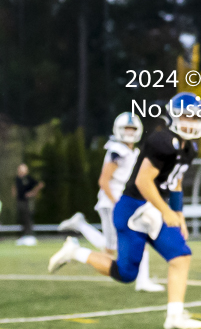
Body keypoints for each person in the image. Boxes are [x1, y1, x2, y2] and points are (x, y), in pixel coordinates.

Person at [48, 92, 201, 329]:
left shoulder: (189, 148)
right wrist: (166, 210)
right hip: (133, 208)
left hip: (153, 208)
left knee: (180, 256)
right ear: (173, 117)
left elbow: (175, 182)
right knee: (125, 273)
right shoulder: (161, 141)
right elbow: (144, 182)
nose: (191, 122)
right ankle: (75, 252)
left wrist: (179, 214)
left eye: (196, 118)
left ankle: (174, 316)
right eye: (187, 116)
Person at [57, 112, 164, 292]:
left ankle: (143, 281)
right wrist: (117, 202)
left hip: (126, 202)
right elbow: (104, 181)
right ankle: (81, 227)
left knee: (140, 238)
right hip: (112, 203)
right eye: (126, 129)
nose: (129, 133)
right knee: (110, 248)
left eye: (133, 129)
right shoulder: (117, 150)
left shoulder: (134, 152)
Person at [13, 164, 44, 246]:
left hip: (27, 202)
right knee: (22, 219)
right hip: (19, 201)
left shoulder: (28, 178)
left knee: (28, 218)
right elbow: (15, 188)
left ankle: (30, 236)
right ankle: (23, 236)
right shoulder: (17, 178)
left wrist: (32, 193)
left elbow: (40, 184)